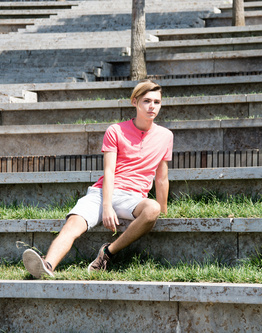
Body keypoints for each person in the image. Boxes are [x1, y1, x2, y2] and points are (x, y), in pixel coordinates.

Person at [22, 80, 173, 278]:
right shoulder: (116, 130)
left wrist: (164, 211)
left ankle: (107, 253)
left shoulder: (166, 136)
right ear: (134, 102)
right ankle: (47, 265)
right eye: (146, 101)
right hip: (102, 193)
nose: (152, 106)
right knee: (73, 224)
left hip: (134, 198)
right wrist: (107, 205)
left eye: (157, 102)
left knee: (152, 208)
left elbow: (162, 178)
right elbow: (109, 171)